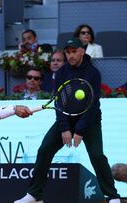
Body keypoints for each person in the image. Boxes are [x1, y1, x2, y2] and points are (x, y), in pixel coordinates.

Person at [14, 38, 121, 203]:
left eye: (74, 51)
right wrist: (65, 128)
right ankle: (35, 194)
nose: (70, 55)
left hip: (89, 120)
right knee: (44, 150)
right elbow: (59, 102)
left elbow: (92, 105)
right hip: (66, 118)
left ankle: (113, 196)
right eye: (68, 52)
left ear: (82, 51)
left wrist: (79, 131)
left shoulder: (93, 73)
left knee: (97, 156)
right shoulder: (62, 73)